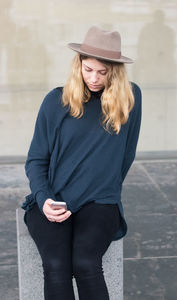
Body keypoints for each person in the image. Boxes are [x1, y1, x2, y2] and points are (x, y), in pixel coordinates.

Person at [21, 25, 142, 300]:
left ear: (116, 71)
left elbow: (127, 154)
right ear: (79, 65)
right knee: (56, 266)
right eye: (88, 69)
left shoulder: (129, 99)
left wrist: (103, 186)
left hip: (100, 200)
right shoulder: (56, 101)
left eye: (103, 71)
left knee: (86, 264)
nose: (94, 78)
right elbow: (36, 160)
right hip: (54, 199)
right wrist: (44, 199)